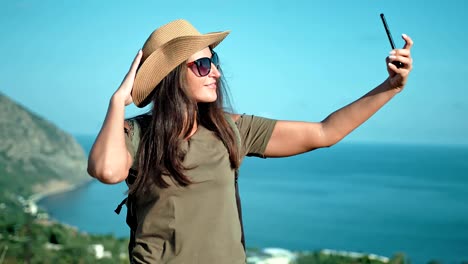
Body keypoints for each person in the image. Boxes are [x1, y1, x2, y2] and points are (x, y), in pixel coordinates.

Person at [87, 19, 413, 263]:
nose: (215, 71)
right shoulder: (136, 134)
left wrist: (391, 87)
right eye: (202, 64)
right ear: (171, 75)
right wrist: (118, 101)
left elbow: (324, 132)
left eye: (214, 61)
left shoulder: (231, 129)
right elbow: (106, 171)